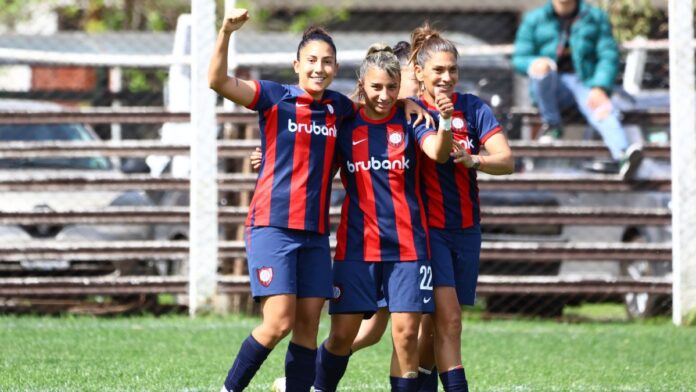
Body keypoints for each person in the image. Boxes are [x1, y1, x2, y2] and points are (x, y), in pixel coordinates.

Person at [209, 9, 430, 392]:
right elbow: (217, 80)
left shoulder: (339, 108)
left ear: (336, 67)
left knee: (309, 324)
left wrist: (409, 105)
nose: (318, 68)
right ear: (297, 64)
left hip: (314, 234)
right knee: (279, 321)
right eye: (311, 60)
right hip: (273, 226)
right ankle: (228, 390)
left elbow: (377, 105)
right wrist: (226, 32)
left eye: (327, 61)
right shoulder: (275, 97)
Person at [314, 43, 453, 392]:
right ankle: (314, 386)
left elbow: (437, 152)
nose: (385, 95)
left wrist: (446, 121)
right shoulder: (345, 125)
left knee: (405, 335)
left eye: (392, 87)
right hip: (357, 248)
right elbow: (313, 162)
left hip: (409, 248)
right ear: (362, 85)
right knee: (343, 336)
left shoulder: (411, 120)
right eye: (377, 87)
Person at [410, 23, 514, 392]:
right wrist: (442, 119)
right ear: (419, 73)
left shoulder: (473, 107)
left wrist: (476, 160)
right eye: (438, 69)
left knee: (434, 326)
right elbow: (436, 154)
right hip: (428, 230)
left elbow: (506, 159)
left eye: (452, 69)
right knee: (447, 321)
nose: (446, 76)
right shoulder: (414, 112)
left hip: (467, 229)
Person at [512, 0, 642, 180]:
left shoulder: (595, 17)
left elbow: (607, 55)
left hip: (585, 82)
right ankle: (552, 125)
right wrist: (534, 63)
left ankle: (622, 156)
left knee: (603, 110)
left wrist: (600, 86)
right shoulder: (534, 19)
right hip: (552, 85)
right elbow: (520, 57)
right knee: (542, 72)